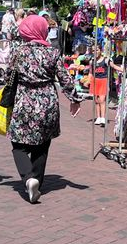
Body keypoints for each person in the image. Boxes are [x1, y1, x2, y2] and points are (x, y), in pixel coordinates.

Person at [5, 14, 81, 203]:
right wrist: (74, 99)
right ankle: (37, 181)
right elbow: (64, 78)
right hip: (47, 101)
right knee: (42, 144)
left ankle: (28, 177)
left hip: (25, 100)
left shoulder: (18, 51)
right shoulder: (53, 52)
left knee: (18, 144)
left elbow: (8, 77)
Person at [89, 44, 122, 126]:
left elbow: (114, 66)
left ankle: (103, 118)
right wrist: (88, 81)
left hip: (103, 81)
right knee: (96, 100)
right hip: (95, 81)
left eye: (96, 50)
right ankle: (98, 117)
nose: (95, 52)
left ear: (100, 50)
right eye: (93, 51)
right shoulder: (92, 61)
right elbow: (90, 72)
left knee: (102, 99)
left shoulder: (106, 60)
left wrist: (123, 70)